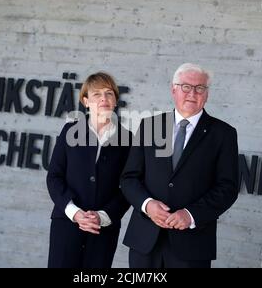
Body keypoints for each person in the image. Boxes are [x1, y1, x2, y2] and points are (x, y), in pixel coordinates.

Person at [121, 63, 239, 268]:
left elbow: (227, 188)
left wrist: (191, 215)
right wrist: (147, 204)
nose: (192, 93)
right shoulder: (149, 126)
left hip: (192, 245)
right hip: (145, 241)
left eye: (199, 88)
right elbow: (129, 178)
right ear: (173, 89)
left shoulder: (223, 134)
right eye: (185, 86)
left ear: (207, 94)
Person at [47, 72, 131, 268]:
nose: (104, 99)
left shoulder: (128, 140)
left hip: (103, 231)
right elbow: (54, 177)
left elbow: (128, 186)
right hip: (66, 224)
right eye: (96, 94)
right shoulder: (70, 131)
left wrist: (102, 216)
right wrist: (75, 213)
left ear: (116, 101)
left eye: (109, 93)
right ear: (85, 101)